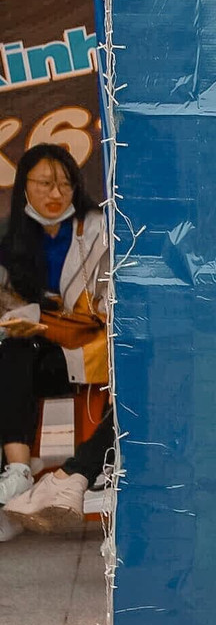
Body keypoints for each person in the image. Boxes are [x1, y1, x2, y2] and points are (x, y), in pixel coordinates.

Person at [0, 145, 110, 540]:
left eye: (65, 184)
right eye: (45, 184)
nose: (56, 194)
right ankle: (17, 471)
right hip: (34, 353)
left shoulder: (97, 231)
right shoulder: (11, 238)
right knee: (12, 350)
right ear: (24, 187)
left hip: (90, 348)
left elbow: (110, 302)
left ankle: (28, 473)